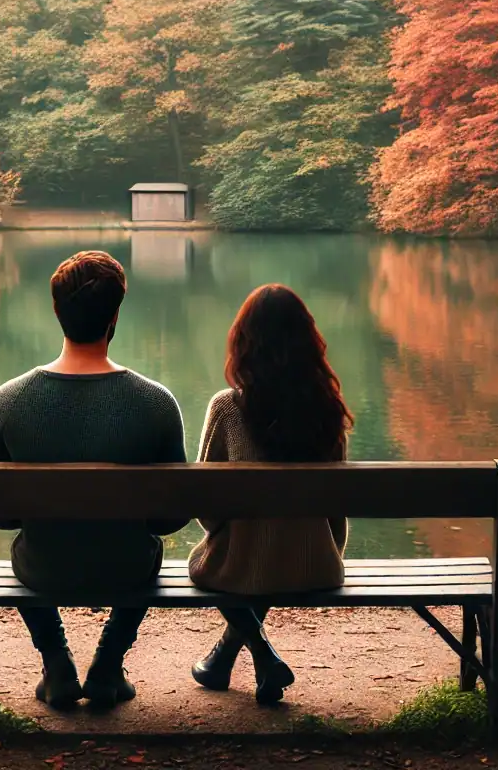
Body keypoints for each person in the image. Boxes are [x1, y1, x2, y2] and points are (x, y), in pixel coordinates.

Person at [0, 250, 188, 709]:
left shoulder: (9, 400)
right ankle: (108, 663)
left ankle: (56, 663)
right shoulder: (156, 403)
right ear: (116, 316)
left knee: (25, 546)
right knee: (146, 548)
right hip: (127, 566)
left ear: (57, 312)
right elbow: (170, 520)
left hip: (43, 566)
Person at [187, 283, 352, 705]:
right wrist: (327, 549)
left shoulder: (227, 408)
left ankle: (262, 654)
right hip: (317, 565)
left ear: (243, 344)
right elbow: (337, 507)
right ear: (307, 344)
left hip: (243, 566)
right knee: (260, 558)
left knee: (222, 563)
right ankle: (223, 660)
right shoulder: (327, 410)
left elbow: (207, 511)